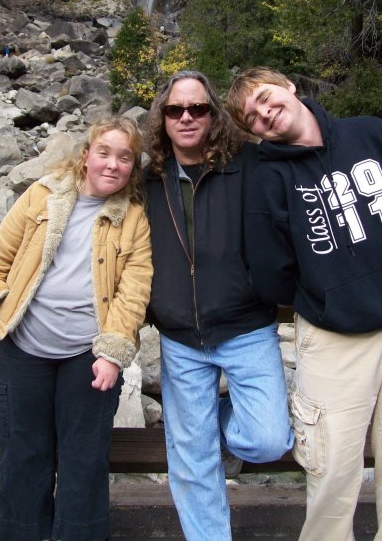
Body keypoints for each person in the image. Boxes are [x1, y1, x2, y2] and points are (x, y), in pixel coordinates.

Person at [227, 66, 382, 541]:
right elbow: (270, 271)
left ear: (288, 85)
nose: (264, 113)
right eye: (252, 117)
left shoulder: (373, 134)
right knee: (331, 474)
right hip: (336, 340)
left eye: (265, 97)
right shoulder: (268, 179)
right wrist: (328, 294)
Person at [0, 117, 153, 541]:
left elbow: (134, 292)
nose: (113, 164)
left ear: (133, 167)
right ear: (86, 155)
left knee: (84, 459)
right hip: (23, 346)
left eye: (124, 157)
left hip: (88, 356)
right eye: (104, 153)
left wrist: (113, 351)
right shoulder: (43, 195)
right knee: (23, 453)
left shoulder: (134, 220)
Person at [144, 69, 293, 541]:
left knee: (269, 439)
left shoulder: (249, 165)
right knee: (191, 464)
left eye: (198, 108)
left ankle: (207, 427)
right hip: (181, 338)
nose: (186, 117)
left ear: (213, 115)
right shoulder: (149, 179)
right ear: (162, 118)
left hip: (246, 327)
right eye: (175, 110)